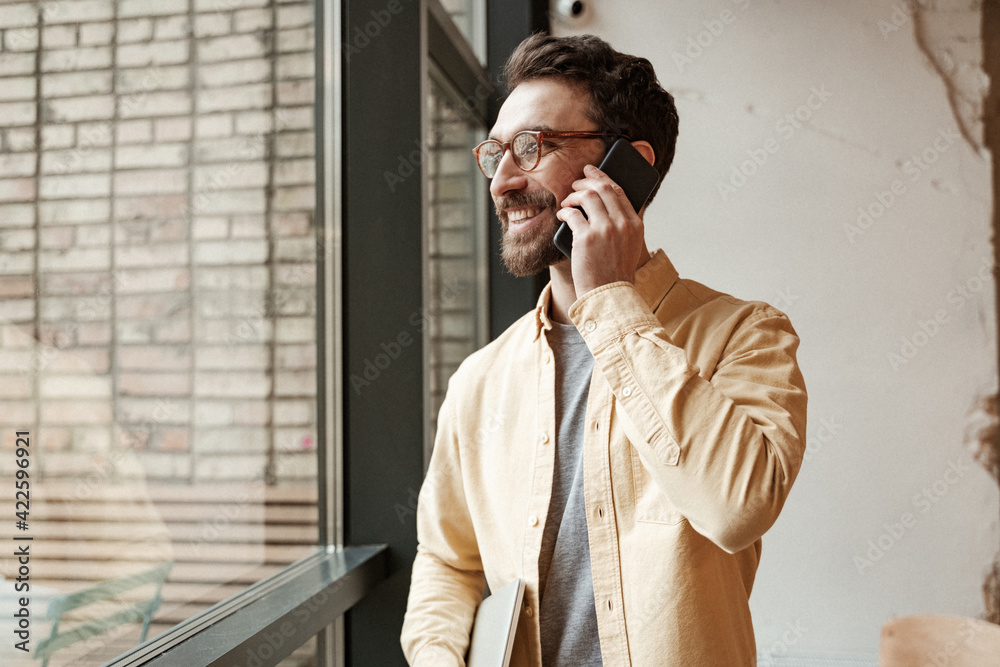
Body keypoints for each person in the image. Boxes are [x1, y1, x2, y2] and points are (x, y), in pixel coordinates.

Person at [401, 33, 808, 667]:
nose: (503, 181)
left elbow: (737, 508)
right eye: (495, 153)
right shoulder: (479, 380)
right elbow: (447, 560)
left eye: (532, 148)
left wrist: (612, 301)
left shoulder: (746, 333)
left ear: (628, 165)